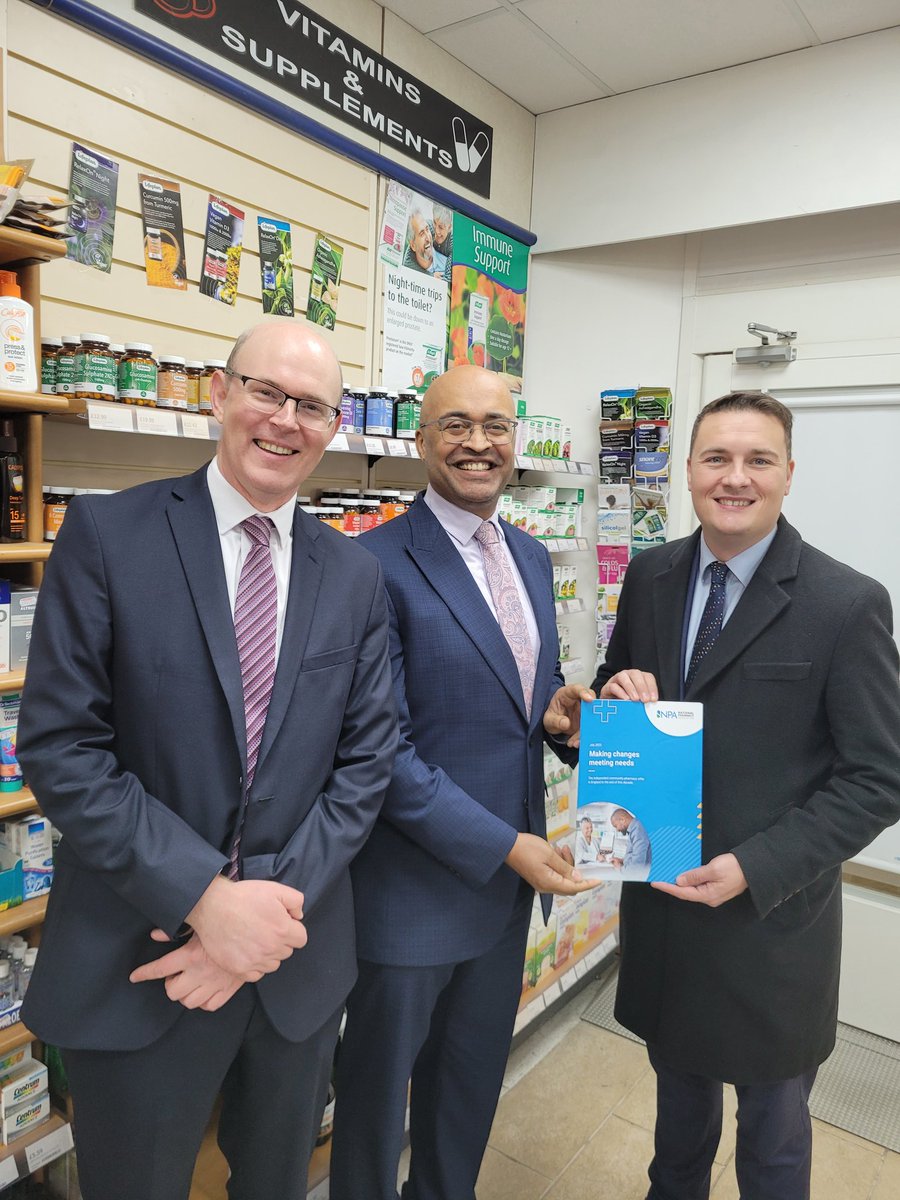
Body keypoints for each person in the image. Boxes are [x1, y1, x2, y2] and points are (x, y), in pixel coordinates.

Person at [16, 321, 399, 1200]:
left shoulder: (354, 576)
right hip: (140, 959)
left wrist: (256, 928)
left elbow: (366, 763)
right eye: (266, 391)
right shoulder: (110, 534)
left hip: (294, 968)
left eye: (310, 406)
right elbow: (62, 746)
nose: (284, 421)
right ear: (221, 395)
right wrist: (205, 900)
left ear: (333, 426)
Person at [592, 391, 900, 1200]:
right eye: (717, 459)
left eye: (757, 460)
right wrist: (604, 700)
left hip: (769, 933)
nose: (735, 478)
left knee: (771, 1152)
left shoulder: (845, 603)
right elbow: (617, 707)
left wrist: (755, 866)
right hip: (666, 919)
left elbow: (879, 776)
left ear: (789, 474)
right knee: (678, 1144)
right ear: (688, 470)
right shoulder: (653, 575)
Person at [330, 364, 594, 1200]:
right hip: (410, 890)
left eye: (495, 426)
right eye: (455, 425)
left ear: (516, 441)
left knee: (468, 1089)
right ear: (420, 438)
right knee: (375, 1106)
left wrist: (557, 715)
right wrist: (506, 847)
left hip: (505, 891)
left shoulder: (526, 551)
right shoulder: (371, 564)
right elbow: (380, 752)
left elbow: (516, 694)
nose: (478, 443)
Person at [404, 207, 450, 283]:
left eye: (427, 229)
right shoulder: (408, 271)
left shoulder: (448, 263)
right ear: (413, 245)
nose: (428, 238)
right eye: (421, 233)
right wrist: (430, 277)